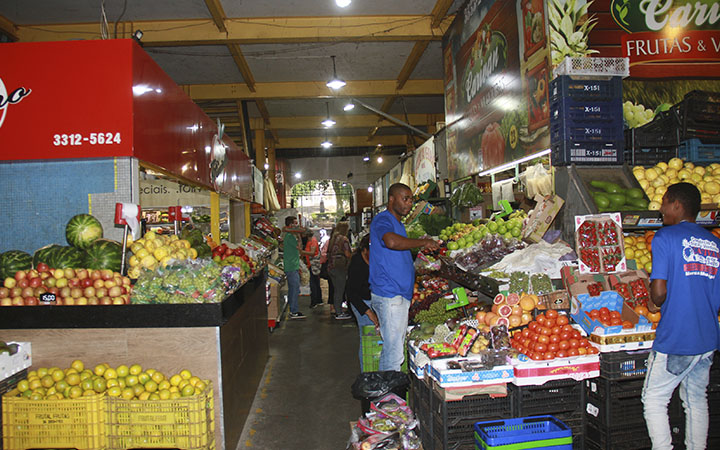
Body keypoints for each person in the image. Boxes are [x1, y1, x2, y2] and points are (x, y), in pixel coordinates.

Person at [642, 182, 720, 449]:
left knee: (654, 399)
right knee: (696, 400)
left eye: (664, 202)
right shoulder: (714, 243)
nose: (661, 209)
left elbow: (659, 292)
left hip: (677, 337)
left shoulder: (665, 237)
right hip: (707, 337)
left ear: (676, 205)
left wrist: (653, 303)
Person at [369, 183, 439, 371]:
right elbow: (391, 242)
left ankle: (388, 387)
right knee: (394, 354)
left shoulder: (398, 224)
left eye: (411, 200)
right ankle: (390, 388)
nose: (409, 203)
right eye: (405, 199)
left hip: (397, 294)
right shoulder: (383, 220)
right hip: (390, 294)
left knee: (393, 350)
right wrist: (423, 242)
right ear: (391, 199)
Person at [345, 234, 380, 368]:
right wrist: (369, 312)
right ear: (364, 250)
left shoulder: (377, 260)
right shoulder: (357, 264)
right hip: (361, 303)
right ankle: (367, 372)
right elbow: (351, 293)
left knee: (376, 336)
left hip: (373, 299)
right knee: (367, 338)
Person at [282, 216, 312, 319]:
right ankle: (294, 311)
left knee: (293, 289)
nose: (297, 225)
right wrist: (299, 234)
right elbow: (299, 248)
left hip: (293, 265)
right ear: (291, 225)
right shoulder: (290, 236)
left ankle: (293, 309)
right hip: (291, 266)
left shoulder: (290, 235)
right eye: (295, 223)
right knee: (294, 289)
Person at [327, 221, 353, 320]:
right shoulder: (344, 239)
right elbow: (347, 254)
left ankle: (337, 309)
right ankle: (339, 312)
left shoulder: (333, 238)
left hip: (331, 266)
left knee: (336, 290)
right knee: (340, 290)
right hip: (340, 267)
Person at [304, 229, 323, 308]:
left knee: (313, 283)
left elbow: (312, 253)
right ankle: (319, 300)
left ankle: (314, 301)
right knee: (316, 282)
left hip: (313, 265)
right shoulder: (311, 241)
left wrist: (302, 252)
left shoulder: (313, 241)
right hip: (312, 264)